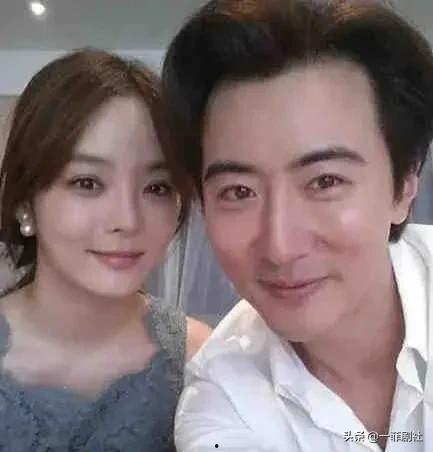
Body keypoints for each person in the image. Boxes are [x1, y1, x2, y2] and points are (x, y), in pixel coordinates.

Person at [162, 0, 433, 450]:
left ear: (404, 186)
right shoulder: (222, 397)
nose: (281, 247)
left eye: (325, 181)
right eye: (239, 191)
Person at [0, 48, 210, 451]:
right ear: (26, 201)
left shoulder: (201, 360)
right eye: (88, 183)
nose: (127, 220)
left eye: (157, 187)